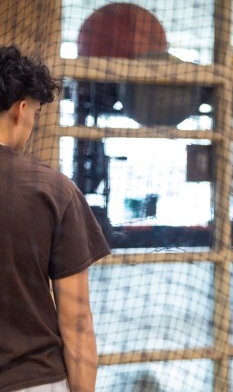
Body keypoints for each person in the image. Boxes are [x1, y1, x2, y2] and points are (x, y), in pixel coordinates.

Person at [0, 46, 110, 392]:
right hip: (32, 381)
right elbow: (76, 322)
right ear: (20, 110)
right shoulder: (53, 192)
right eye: (34, 112)